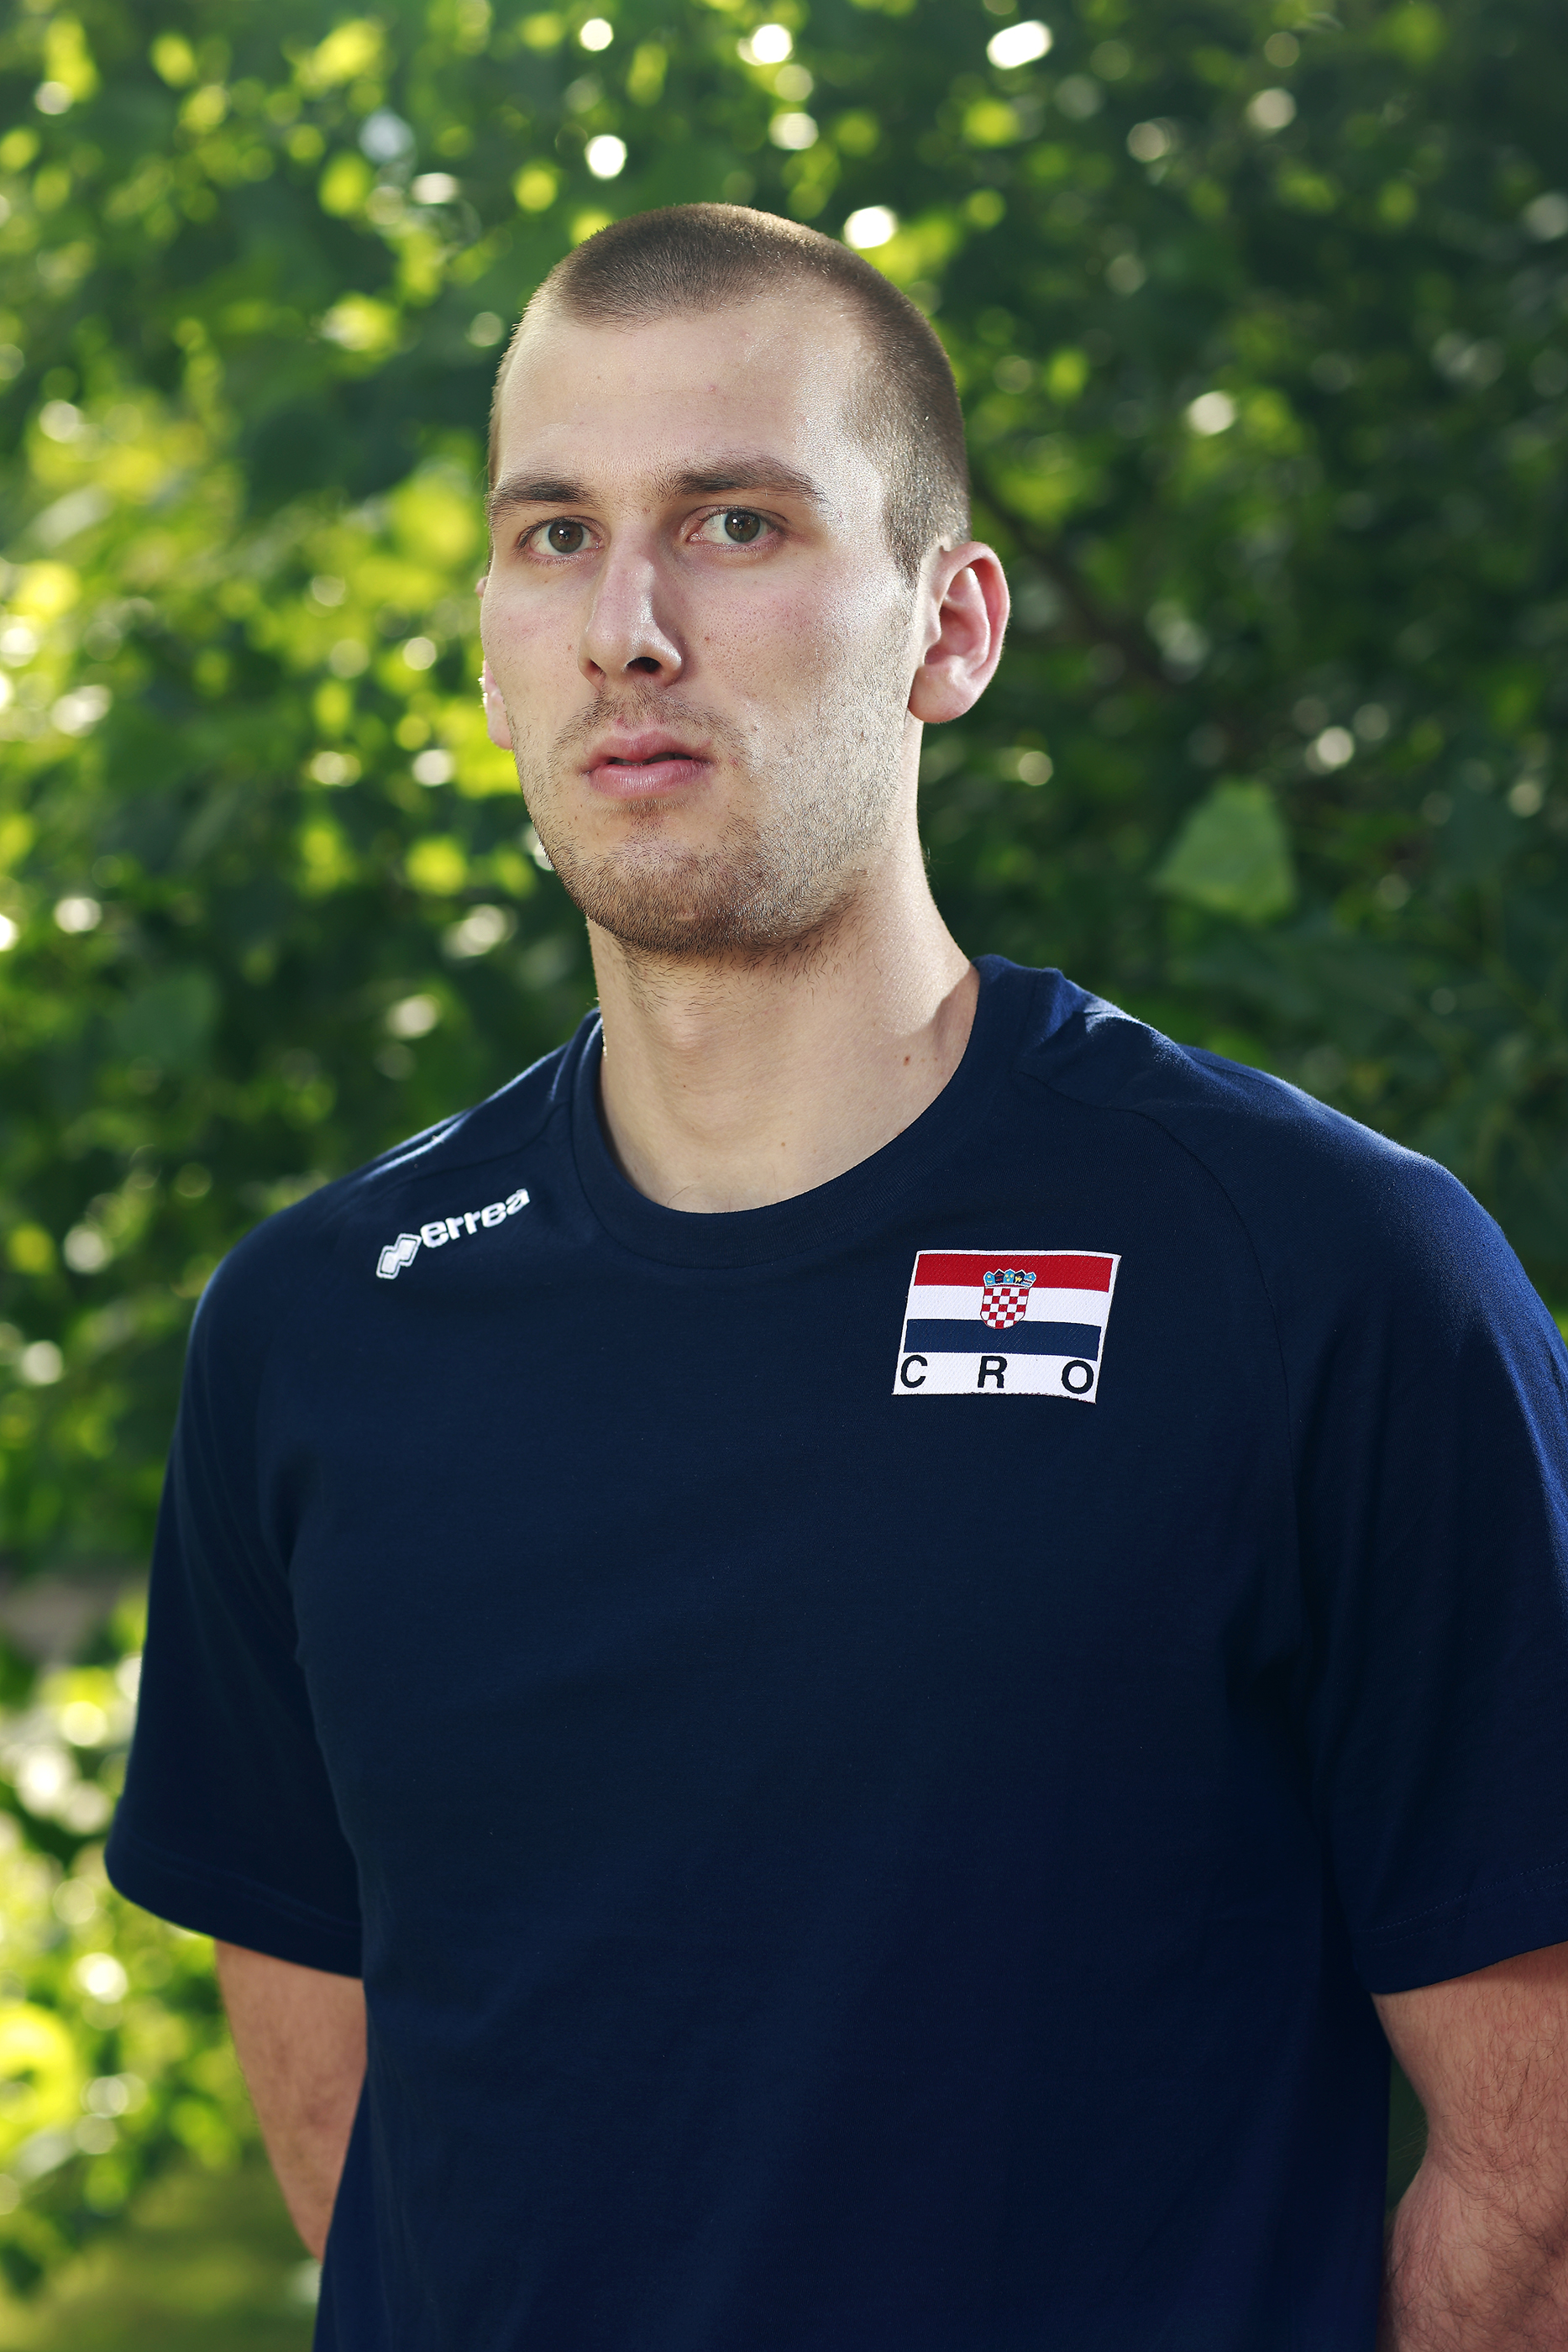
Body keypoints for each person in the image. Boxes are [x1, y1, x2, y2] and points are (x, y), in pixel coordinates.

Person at [107, 204, 1568, 2351]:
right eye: (553, 536)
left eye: (734, 522)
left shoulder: (1318, 1277)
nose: (628, 626)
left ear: (947, 626)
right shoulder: (320, 1329)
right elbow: (366, 2135)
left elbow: (1537, 2181)